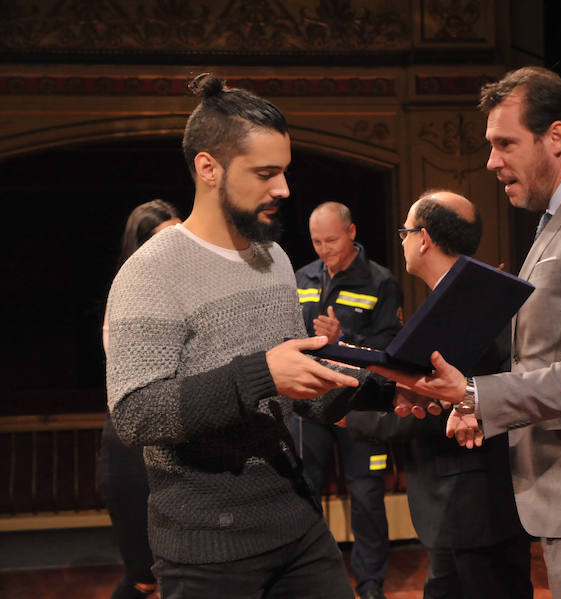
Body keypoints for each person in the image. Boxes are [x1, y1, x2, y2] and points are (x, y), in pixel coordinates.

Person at [371, 67, 561, 599]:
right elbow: (539, 353)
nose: (491, 162)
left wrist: (473, 393)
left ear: (555, 137)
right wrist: (477, 409)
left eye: (504, 143)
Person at [105, 73, 390, 599]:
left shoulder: (273, 257)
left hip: (295, 524)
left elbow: (298, 386)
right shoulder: (150, 273)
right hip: (206, 549)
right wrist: (262, 373)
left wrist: (392, 391)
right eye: (265, 173)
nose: (282, 189)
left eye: (284, 172)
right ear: (208, 168)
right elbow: (137, 413)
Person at [346, 189, 533, 599]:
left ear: (424, 238)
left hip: (470, 505)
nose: (402, 241)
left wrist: (344, 412)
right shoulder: (475, 297)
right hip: (473, 504)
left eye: (405, 231)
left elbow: (431, 404)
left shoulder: (459, 309)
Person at [294, 201, 402, 599]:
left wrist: (345, 341)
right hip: (310, 403)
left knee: (367, 496)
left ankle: (371, 586)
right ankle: (314, 583)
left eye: (332, 240)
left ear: (352, 232)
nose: (324, 250)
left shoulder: (381, 281)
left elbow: (390, 349)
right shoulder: (302, 277)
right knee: (305, 493)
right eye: (317, 241)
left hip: (361, 406)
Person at [100, 199, 181, 599]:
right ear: (141, 245)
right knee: (143, 576)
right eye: (165, 239)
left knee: (182, 570)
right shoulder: (129, 293)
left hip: (177, 437)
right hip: (133, 440)